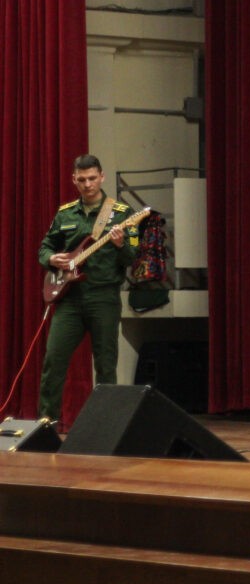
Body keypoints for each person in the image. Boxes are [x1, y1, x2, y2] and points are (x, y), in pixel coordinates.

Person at [38, 155, 140, 423]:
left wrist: (119, 245)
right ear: (74, 180)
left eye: (92, 178)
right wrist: (51, 259)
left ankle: (106, 426)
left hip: (103, 296)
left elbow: (132, 258)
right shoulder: (65, 212)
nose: (87, 184)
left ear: (102, 177)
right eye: (81, 179)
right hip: (69, 298)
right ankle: (46, 424)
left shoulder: (121, 213)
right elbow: (45, 247)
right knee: (53, 360)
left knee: (106, 366)